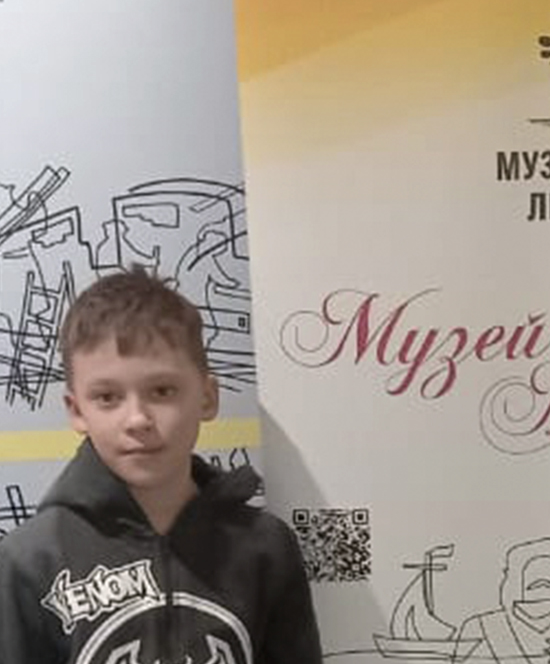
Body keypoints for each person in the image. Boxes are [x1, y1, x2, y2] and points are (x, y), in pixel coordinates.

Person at [0, 266, 322, 664]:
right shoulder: (30, 559)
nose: (138, 419)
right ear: (77, 410)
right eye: (107, 397)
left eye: (162, 391)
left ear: (207, 397)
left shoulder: (265, 548)